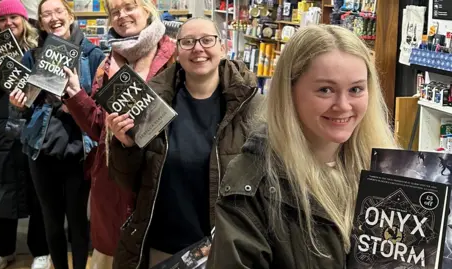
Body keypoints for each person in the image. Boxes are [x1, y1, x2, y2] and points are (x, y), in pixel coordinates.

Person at [205, 24, 398, 268]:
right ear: (290, 91)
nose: (344, 105)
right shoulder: (254, 182)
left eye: (356, 89)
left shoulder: (385, 169)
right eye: (325, 90)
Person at [106, 17, 264, 269]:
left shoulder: (252, 107)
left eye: (207, 40)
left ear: (222, 47)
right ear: (177, 51)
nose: (198, 48)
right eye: (188, 42)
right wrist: (125, 145)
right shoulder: (152, 101)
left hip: (224, 252)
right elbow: (128, 183)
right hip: (162, 249)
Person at [61, 0, 175, 268]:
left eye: (129, 7)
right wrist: (77, 95)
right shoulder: (108, 64)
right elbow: (100, 127)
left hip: (158, 180)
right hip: (113, 185)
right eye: (115, 12)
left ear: (147, 8)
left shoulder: (174, 56)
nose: (122, 15)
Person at [8, 0, 105, 268]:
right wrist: (19, 103)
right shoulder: (32, 56)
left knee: (78, 220)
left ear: (70, 15)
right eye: (46, 14)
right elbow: (21, 110)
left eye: (58, 11)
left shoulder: (93, 56)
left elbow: (100, 110)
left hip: (79, 148)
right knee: (51, 219)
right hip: (42, 148)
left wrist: (78, 97)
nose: (53, 18)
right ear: (39, 21)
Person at [0, 0, 51, 269]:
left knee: (38, 191)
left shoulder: (40, 46)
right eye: (3, 20)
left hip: (34, 125)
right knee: (3, 191)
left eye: (14, 18)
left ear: (24, 20)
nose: (9, 24)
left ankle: (41, 250)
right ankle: (2, 250)